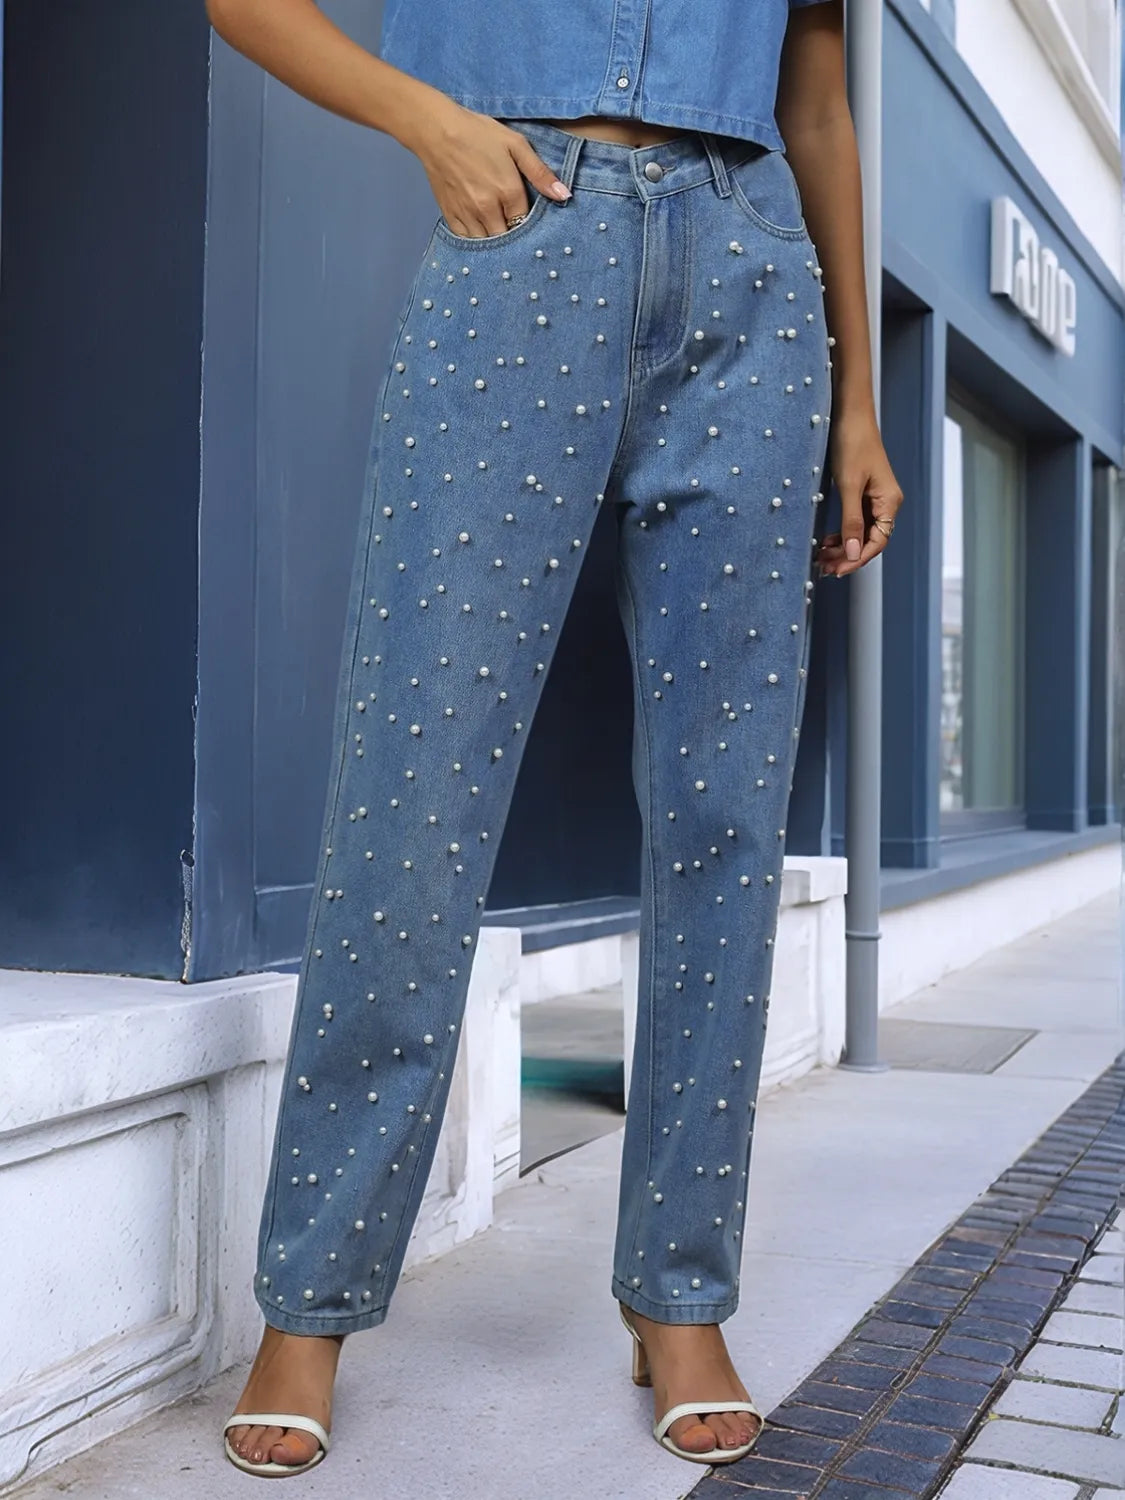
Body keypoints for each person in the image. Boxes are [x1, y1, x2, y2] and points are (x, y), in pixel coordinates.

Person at [207, 0, 903, 1478]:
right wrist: (430, 122)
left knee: (723, 819)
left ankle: (679, 1296)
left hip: (754, 279)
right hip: (523, 242)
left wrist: (856, 396)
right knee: (416, 785)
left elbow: (821, 103)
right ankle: (310, 1304)